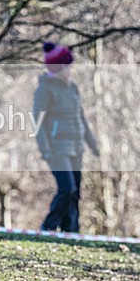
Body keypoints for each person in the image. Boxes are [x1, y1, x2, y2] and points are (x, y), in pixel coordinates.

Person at [33, 41, 99, 233]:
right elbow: (38, 122)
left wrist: (92, 143)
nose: (71, 70)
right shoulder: (44, 90)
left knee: (75, 193)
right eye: (67, 66)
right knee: (67, 188)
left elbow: (81, 117)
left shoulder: (73, 89)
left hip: (77, 146)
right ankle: (49, 225)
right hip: (57, 148)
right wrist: (45, 149)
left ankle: (71, 230)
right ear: (59, 68)